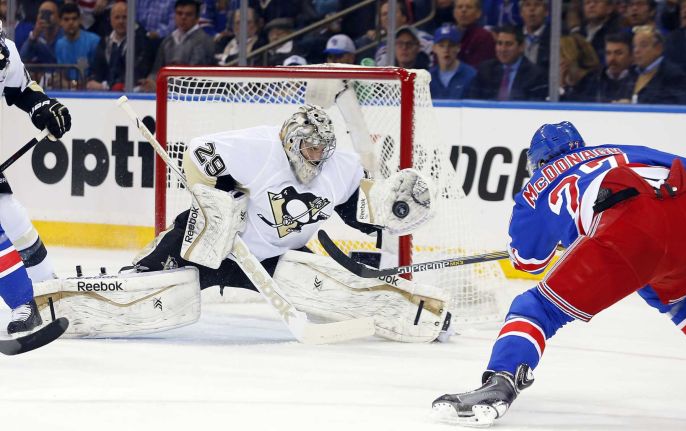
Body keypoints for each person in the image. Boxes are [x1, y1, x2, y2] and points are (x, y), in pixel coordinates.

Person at [431, 121, 686, 426]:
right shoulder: (625, 151)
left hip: (627, 230)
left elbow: (529, 262)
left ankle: (500, 382)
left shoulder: (535, 186)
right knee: (672, 293)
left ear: (536, 161)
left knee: (536, 308)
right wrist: (668, 218)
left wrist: (572, 235)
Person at [129, 86, 451, 343]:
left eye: (323, 149)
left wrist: (393, 210)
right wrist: (219, 203)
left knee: (341, 293)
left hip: (279, 259)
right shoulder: (259, 147)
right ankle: (121, 288)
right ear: (294, 142)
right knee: (154, 283)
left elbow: (358, 210)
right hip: (219, 247)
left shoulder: (339, 167)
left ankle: (419, 313)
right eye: (312, 149)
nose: (318, 156)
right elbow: (198, 154)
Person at [0, 22, 71, 334]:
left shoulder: (6, 52)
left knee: (8, 213)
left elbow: (22, 90)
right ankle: (23, 299)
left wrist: (44, 108)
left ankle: (44, 289)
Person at [141, 0, 216, 92]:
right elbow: (157, 70)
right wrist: (150, 81)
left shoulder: (203, 41)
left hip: (194, 98)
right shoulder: (167, 41)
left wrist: (162, 87)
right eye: (179, 13)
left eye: (188, 14)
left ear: (197, 18)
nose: (183, 17)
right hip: (167, 92)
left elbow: (196, 80)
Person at [87, 1, 153, 91]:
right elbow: (97, 67)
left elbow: (138, 70)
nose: (121, 21)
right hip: (106, 90)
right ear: (110, 20)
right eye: (117, 17)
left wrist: (108, 86)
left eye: (124, 17)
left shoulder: (141, 39)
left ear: (132, 18)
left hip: (132, 92)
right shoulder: (106, 40)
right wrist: (94, 80)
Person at [469, 25, 548, 101]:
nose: (503, 49)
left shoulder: (535, 74)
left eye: (508, 44)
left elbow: (534, 107)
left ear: (521, 47)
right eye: (499, 43)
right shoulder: (485, 69)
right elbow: (473, 99)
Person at [631, 25, 686, 104]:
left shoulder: (674, 74)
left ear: (658, 48)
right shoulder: (632, 73)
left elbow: (675, 105)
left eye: (643, 45)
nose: (636, 51)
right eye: (634, 46)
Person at [55, 3, 102, 82]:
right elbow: (62, 74)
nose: (71, 23)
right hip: (67, 90)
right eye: (66, 19)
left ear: (80, 20)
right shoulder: (59, 44)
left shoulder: (94, 41)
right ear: (60, 22)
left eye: (74, 19)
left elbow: (99, 73)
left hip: (90, 88)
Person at [429, 24, 477, 99]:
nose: (446, 50)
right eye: (441, 45)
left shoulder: (471, 75)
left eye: (451, 45)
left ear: (458, 48)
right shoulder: (428, 77)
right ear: (434, 48)